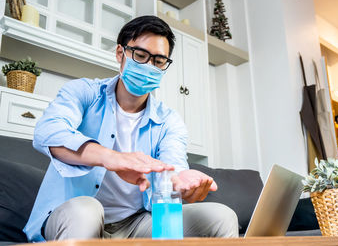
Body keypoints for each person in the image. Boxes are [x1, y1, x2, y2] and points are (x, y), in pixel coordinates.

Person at [23, 15, 238, 242]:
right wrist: (111, 158)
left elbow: (172, 168)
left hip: (137, 222)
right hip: (75, 216)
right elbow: (48, 132)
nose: (148, 66)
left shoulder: (170, 121)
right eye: (141, 55)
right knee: (87, 211)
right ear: (120, 53)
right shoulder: (83, 92)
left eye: (158, 61)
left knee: (221, 217)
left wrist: (181, 181)